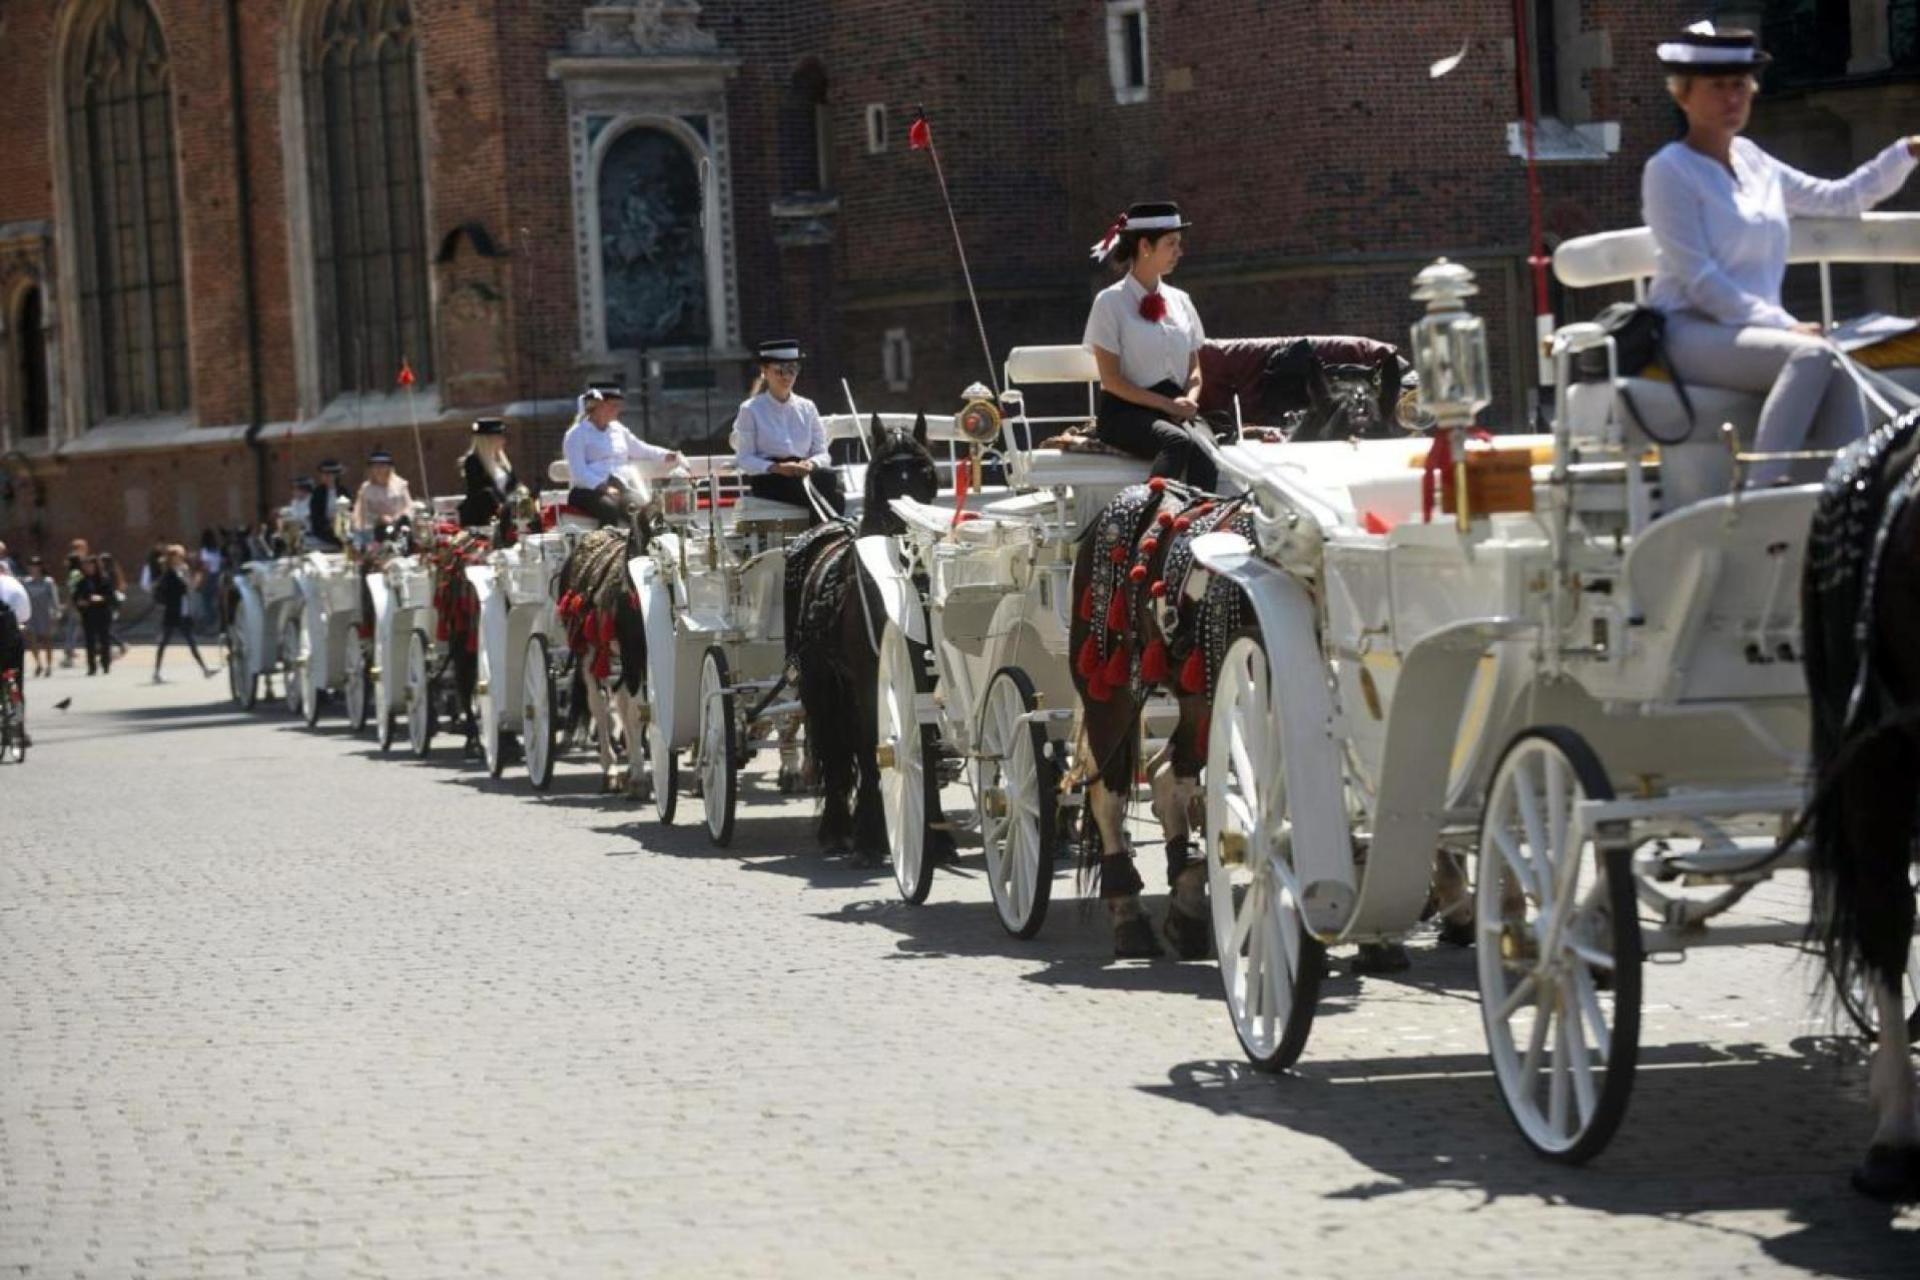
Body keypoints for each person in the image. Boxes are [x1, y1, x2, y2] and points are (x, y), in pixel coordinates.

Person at [1644, 22, 1920, 487]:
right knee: (1812, 355)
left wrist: (1908, 150)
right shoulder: (1668, 170)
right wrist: (1782, 325)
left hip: (1754, 332)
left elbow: (1839, 199)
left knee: (1838, 367)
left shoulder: (1754, 161)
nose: (1733, 98)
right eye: (1717, 88)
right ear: (1683, 95)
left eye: (1740, 86)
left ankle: (1840, 497)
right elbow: (1700, 279)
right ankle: (1759, 491)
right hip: (1690, 330)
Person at [1082, 200, 1216, 492]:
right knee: (1176, 442)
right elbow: (1112, 381)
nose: (1179, 251)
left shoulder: (1181, 300)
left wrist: (1189, 399)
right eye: (1172, 243)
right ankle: (1144, 523)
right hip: (1125, 412)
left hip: (1175, 407)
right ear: (1145, 246)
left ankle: (1192, 527)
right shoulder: (1110, 302)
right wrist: (1169, 406)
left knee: (1208, 454)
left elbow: (1194, 367)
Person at [731, 340, 846, 521]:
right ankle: (824, 537)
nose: (787, 377)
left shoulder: (807, 407)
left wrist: (811, 464)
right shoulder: (750, 409)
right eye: (779, 371)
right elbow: (745, 459)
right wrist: (777, 468)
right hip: (770, 478)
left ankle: (828, 537)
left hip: (804, 473)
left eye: (792, 370)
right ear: (765, 371)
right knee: (828, 490)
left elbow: (823, 454)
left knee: (830, 481)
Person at [562, 381, 681, 526]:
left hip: (619, 486)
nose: (618, 410)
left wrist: (665, 455)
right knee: (609, 509)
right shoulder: (576, 435)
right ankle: (606, 547)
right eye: (613, 405)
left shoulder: (618, 429)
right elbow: (579, 472)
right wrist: (604, 488)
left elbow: (640, 449)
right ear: (598, 406)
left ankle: (640, 547)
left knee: (642, 509)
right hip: (587, 491)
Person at [151, 544, 215, 682]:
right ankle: (156, 672)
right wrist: (189, 582)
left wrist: (196, 578)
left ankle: (204, 669)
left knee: (191, 641)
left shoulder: (182, 570)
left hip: (183, 610)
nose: (181, 558)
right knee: (164, 642)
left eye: (182, 555)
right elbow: (180, 588)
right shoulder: (169, 573)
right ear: (172, 558)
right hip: (172, 611)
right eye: (179, 556)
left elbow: (190, 587)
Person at [459, 418, 518, 529]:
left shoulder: (501, 462)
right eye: (499, 436)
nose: (503, 440)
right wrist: (503, 504)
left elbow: (513, 486)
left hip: (508, 519)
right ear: (488, 439)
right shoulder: (473, 462)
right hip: (484, 521)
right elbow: (481, 491)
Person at [352, 448, 414, 541]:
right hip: (374, 531)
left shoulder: (400, 484)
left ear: (389, 467)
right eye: (375, 466)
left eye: (382, 466)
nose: (378, 469)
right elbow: (360, 513)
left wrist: (401, 516)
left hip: (399, 528)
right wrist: (379, 518)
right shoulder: (366, 488)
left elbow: (409, 506)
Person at [0, 560, 29, 746]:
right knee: (16, 683)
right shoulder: (14, 584)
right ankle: (20, 728)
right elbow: (26, 615)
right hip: (11, 641)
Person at [72, 554, 115, 675]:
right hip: (88, 614)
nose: (88, 568)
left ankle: (105, 663)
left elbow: (111, 597)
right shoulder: (82, 581)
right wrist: (80, 602)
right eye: (86, 566)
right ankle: (92, 667)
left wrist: (101, 598)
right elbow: (76, 597)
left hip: (102, 613)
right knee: (89, 640)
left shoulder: (104, 579)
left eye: (90, 565)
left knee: (104, 639)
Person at [22, 558, 57, 678]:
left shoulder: (48, 582)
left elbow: (54, 598)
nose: (33, 568)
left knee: (47, 640)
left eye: (36, 566)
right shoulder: (26, 582)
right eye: (31, 566)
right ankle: (38, 663)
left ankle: (49, 665)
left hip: (45, 613)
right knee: (32, 640)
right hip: (32, 614)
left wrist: (55, 613)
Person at [309, 461, 348, 549]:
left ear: (335, 476)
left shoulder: (343, 491)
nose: (326, 478)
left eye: (329, 475)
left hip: (341, 525)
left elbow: (347, 510)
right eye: (324, 475)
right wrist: (329, 524)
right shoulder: (317, 493)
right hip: (323, 528)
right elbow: (315, 514)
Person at [196, 529, 225, 636]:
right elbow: (222, 563)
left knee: (206, 602)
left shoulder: (204, 551)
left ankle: (210, 624)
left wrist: (199, 582)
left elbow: (205, 567)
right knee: (216, 601)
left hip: (208, 578)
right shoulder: (217, 550)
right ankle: (217, 623)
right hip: (218, 576)